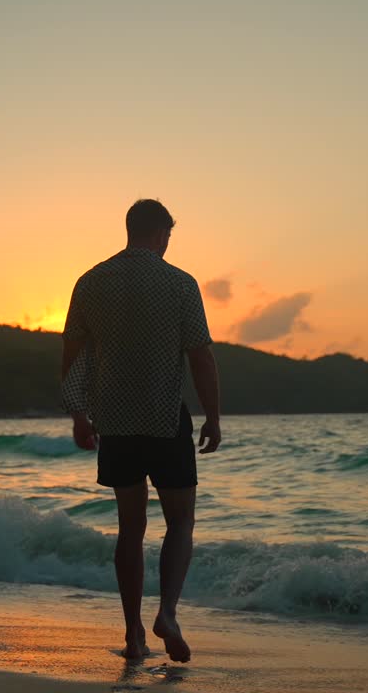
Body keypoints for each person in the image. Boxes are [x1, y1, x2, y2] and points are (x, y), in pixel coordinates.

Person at [60, 199, 221, 663]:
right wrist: (213, 416)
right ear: (160, 234)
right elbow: (201, 356)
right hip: (166, 419)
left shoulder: (90, 282)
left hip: (114, 423)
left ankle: (133, 635)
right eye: (168, 238)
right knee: (181, 521)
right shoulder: (180, 284)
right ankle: (167, 612)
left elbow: (72, 354)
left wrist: (78, 415)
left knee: (130, 528)